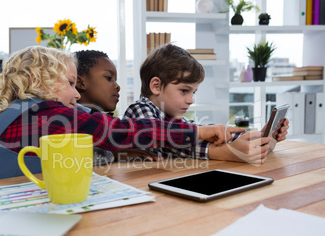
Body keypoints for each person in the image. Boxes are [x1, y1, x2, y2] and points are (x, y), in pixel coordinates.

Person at [0, 46, 237, 182]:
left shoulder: (19, 111)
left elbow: (94, 133)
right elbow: (117, 130)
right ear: (35, 79)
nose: (76, 94)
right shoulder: (44, 112)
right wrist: (198, 131)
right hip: (7, 204)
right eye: (69, 83)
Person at [123, 43, 289, 164]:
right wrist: (220, 152)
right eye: (184, 91)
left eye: (193, 92)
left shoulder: (173, 119)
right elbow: (164, 143)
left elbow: (192, 137)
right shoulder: (140, 110)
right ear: (156, 86)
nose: (191, 100)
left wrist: (259, 138)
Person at [75, 49, 160, 164]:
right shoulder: (72, 118)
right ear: (80, 82)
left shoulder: (99, 120)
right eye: (109, 78)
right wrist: (114, 155)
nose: (117, 86)